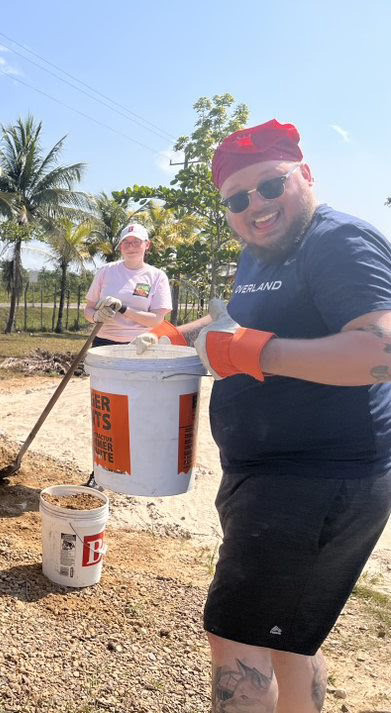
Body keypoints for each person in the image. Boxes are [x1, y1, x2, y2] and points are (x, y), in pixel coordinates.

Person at [133, 119, 391, 711]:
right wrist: (179, 334)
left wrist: (257, 353)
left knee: (238, 641)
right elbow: (237, 326)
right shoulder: (263, 250)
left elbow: (379, 351)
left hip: (313, 483)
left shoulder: (337, 241)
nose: (257, 206)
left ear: (304, 174)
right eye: (239, 199)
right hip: (281, 479)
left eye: (270, 187)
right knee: (290, 640)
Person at [84, 222, 172, 346]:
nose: (131, 247)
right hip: (103, 342)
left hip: (140, 345)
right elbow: (88, 309)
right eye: (126, 242)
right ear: (120, 246)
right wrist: (95, 316)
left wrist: (123, 309)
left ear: (147, 245)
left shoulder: (157, 276)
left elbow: (156, 320)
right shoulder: (105, 271)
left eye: (136, 241)